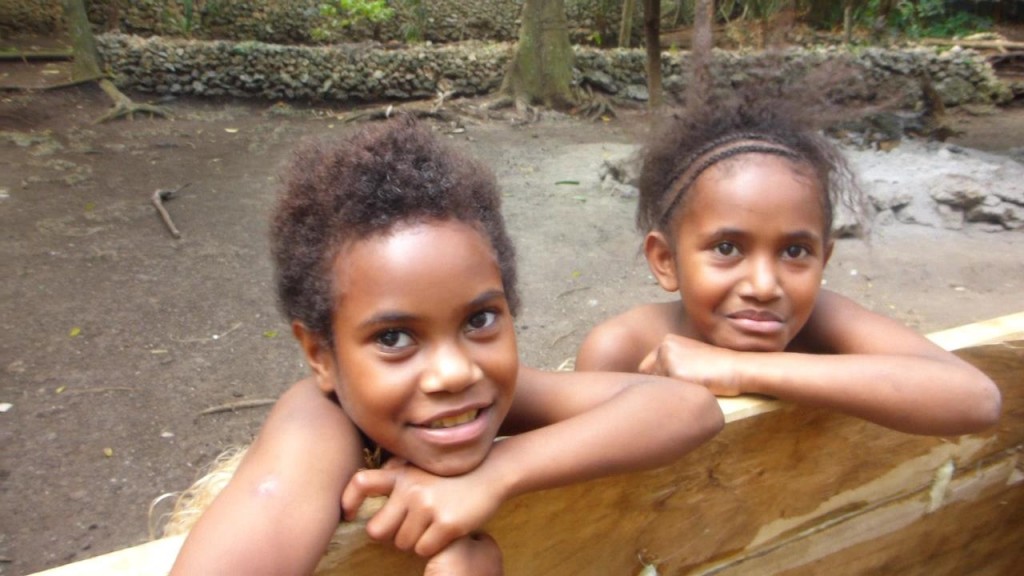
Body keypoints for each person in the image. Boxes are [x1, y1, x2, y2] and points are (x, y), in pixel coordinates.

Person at [169, 118, 724, 576]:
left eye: (480, 319)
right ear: (320, 356)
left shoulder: (485, 395)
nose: (454, 371)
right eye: (393, 338)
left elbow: (688, 408)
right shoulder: (317, 427)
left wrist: (498, 474)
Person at [575, 93, 1001, 436]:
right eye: (727, 248)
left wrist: (742, 369)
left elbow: (977, 399)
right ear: (666, 261)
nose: (763, 286)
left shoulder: (822, 318)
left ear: (824, 259)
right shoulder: (621, 348)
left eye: (795, 252)